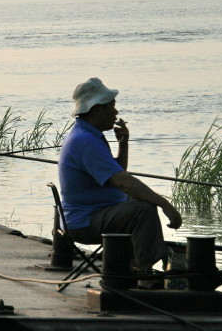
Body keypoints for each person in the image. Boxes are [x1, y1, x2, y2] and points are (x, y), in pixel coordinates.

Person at [58, 77, 182, 285]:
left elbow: (114, 173)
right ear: (97, 109)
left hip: (94, 213)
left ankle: (136, 267)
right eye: (112, 107)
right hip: (83, 221)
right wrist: (165, 204)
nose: (116, 113)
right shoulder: (85, 141)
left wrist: (123, 145)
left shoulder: (89, 135)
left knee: (137, 203)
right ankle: (144, 275)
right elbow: (122, 181)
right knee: (142, 209)